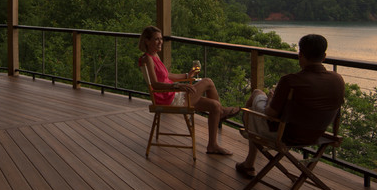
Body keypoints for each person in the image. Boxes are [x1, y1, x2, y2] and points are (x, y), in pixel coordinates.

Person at [234, 33, 345, 178]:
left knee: (256, 93)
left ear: (300, 55)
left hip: (286, 135)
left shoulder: (290, 81)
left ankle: (249, 163)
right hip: (317, 134)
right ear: (324, 56)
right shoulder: (338, 79)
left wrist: (271, 100)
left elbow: (271, 114)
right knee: (259, 99)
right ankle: (248, 162)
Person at [138, 25, 239, 155]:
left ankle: (212, 145)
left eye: (161, 39)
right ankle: (222, 113)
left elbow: (167, 76)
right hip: (169, 99)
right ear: (147, 41)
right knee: (208, 81)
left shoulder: (155, 56)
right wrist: (176, 86)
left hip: (173, 95)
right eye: (156, 39)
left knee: (214, 105)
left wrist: (187, 76)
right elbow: (155, 84)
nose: (160, 42)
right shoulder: (147, 58)